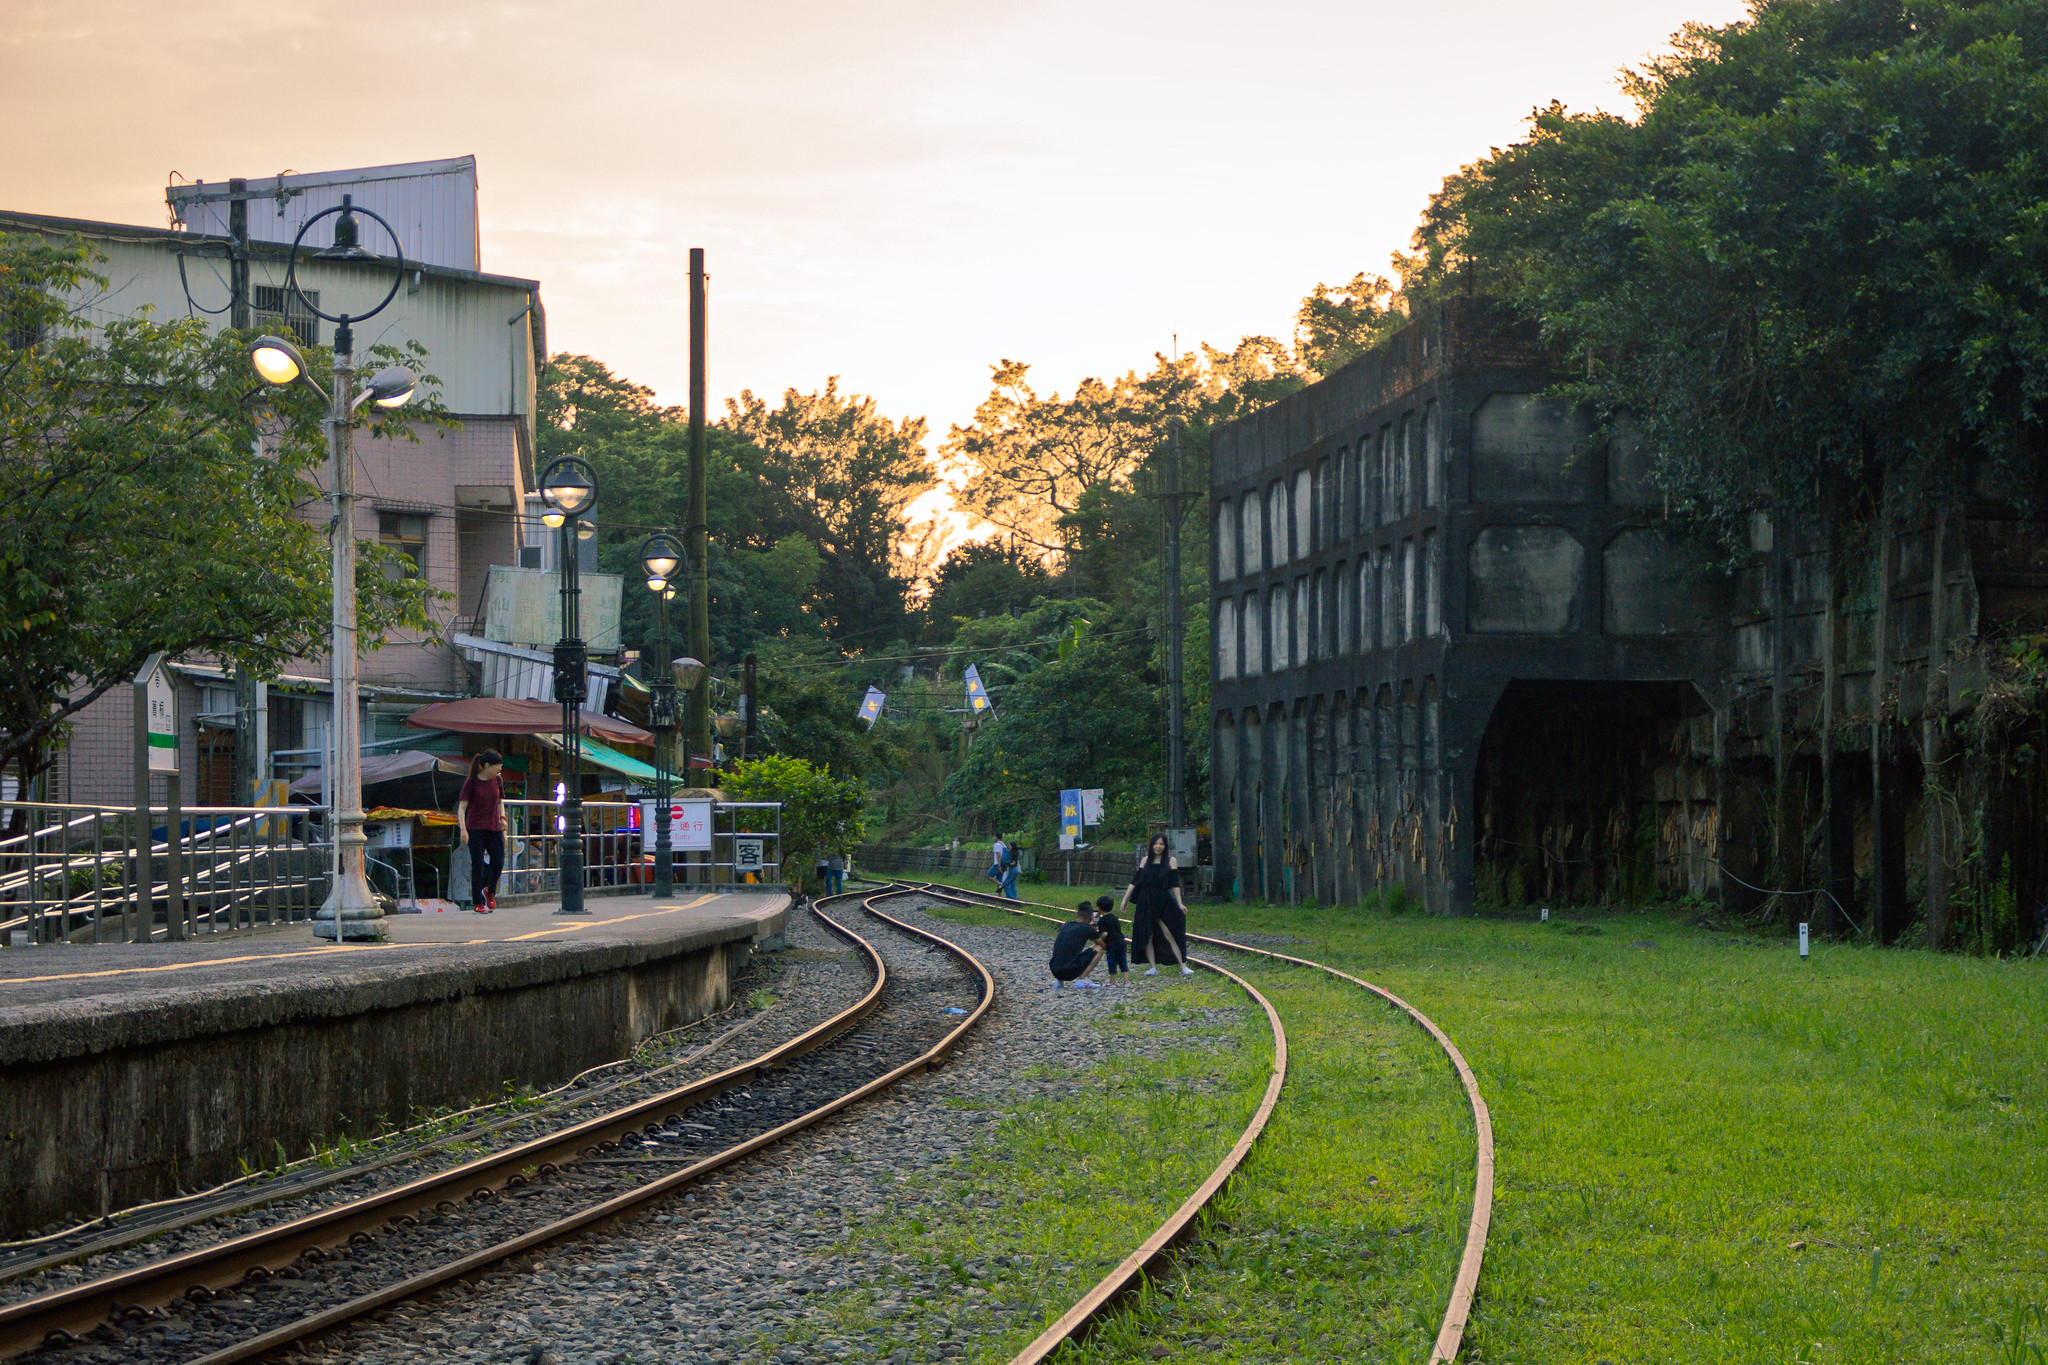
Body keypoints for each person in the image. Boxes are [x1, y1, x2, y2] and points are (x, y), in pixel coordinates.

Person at [1119, 833, 1193, 977]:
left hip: (1163, 899)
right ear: (1151, 845)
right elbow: (1135, 881)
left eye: (1161, 844)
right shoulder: (1145, 861)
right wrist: (1124, 900)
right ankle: (1152, 967)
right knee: (1148, 934)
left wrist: (1180, 903)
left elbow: (1174, 885)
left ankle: (1183, 965)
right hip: (1146, 900)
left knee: (1170, 932)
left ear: (1165, 846)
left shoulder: (1171, 861)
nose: (1158, 847)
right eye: (1156, 844)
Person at [457, 750, 507, 914]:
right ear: (487, 765)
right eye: (497, 767)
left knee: (498, 861)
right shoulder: (471, 782)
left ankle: (489, 890)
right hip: (475, 828)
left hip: (494, 827)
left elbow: (500, 802)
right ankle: (478, 902)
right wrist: (463, 830)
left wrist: (503, 821)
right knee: (477, 865)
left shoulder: (498, 780)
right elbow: (462, 807)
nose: (499, 770)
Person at [1049, 900, 1105, 989]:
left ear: (1076, 914)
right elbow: (1102, 945)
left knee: (1066, 949)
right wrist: (1098, 932)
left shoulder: (1066, 925)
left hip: (1054, 970)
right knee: (1098, 948)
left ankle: (1059, 982)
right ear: (1091, 916)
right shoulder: (1088, 928)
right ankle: (1082, 980)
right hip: (1068, 972)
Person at [1092, 894, 1129, 982]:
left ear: (1099, 908)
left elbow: (1105, 934)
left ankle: (1113, 982)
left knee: (1112, 962)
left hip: (1112, 944)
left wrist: (1098, 937)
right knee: (1123, 961)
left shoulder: (1102, 920)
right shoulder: (1115, 917)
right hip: (1121, 942)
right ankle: (1126, 981)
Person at [987, 832, 1020, 900]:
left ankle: (1003, 888)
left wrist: (999, 865)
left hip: (998, 864)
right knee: (1003, 879)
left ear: (996, 837)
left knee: (989, 875)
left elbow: (998, 855)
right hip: (1004, 865)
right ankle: (1000, 895)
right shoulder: (1003, 844)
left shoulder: (997, 845)